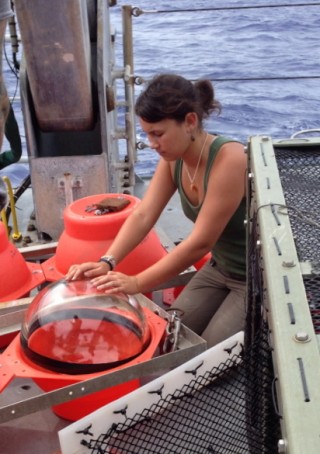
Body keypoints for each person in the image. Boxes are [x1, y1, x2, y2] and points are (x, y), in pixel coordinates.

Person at [66, 73, 247, 347]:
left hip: (253, 279)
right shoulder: (174, 159)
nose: (152, 144)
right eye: (147, 134)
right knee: (170, 338)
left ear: (190, 121)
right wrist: (108, 261)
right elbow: (143, 215)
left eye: (158, 134)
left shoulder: (230, 159)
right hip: (219, 269)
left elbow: (201, 242)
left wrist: (137, 282)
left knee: (208, 354)